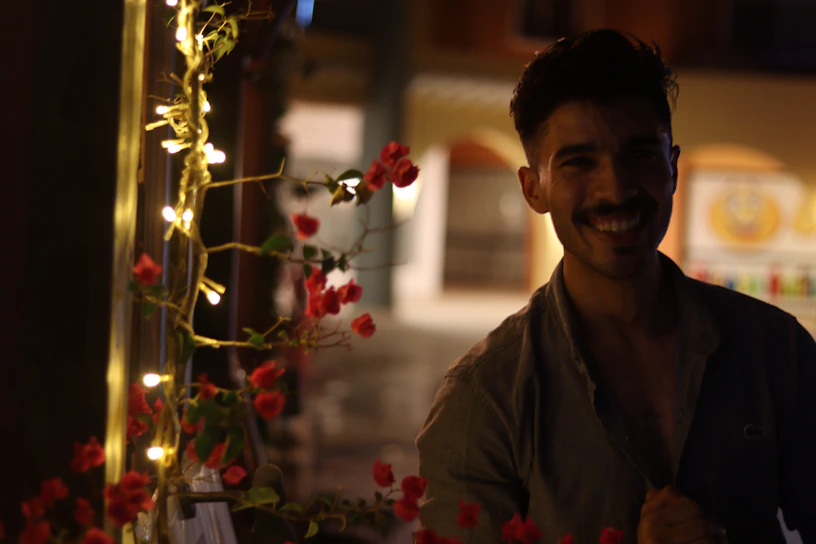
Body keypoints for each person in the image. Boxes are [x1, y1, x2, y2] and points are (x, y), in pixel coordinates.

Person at [416, 29, 816, 544]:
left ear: (672, 167)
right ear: (533, 188)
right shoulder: (485, 399)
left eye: (641, 154)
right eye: (579, 161)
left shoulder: (776, 352)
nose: (617, 189)